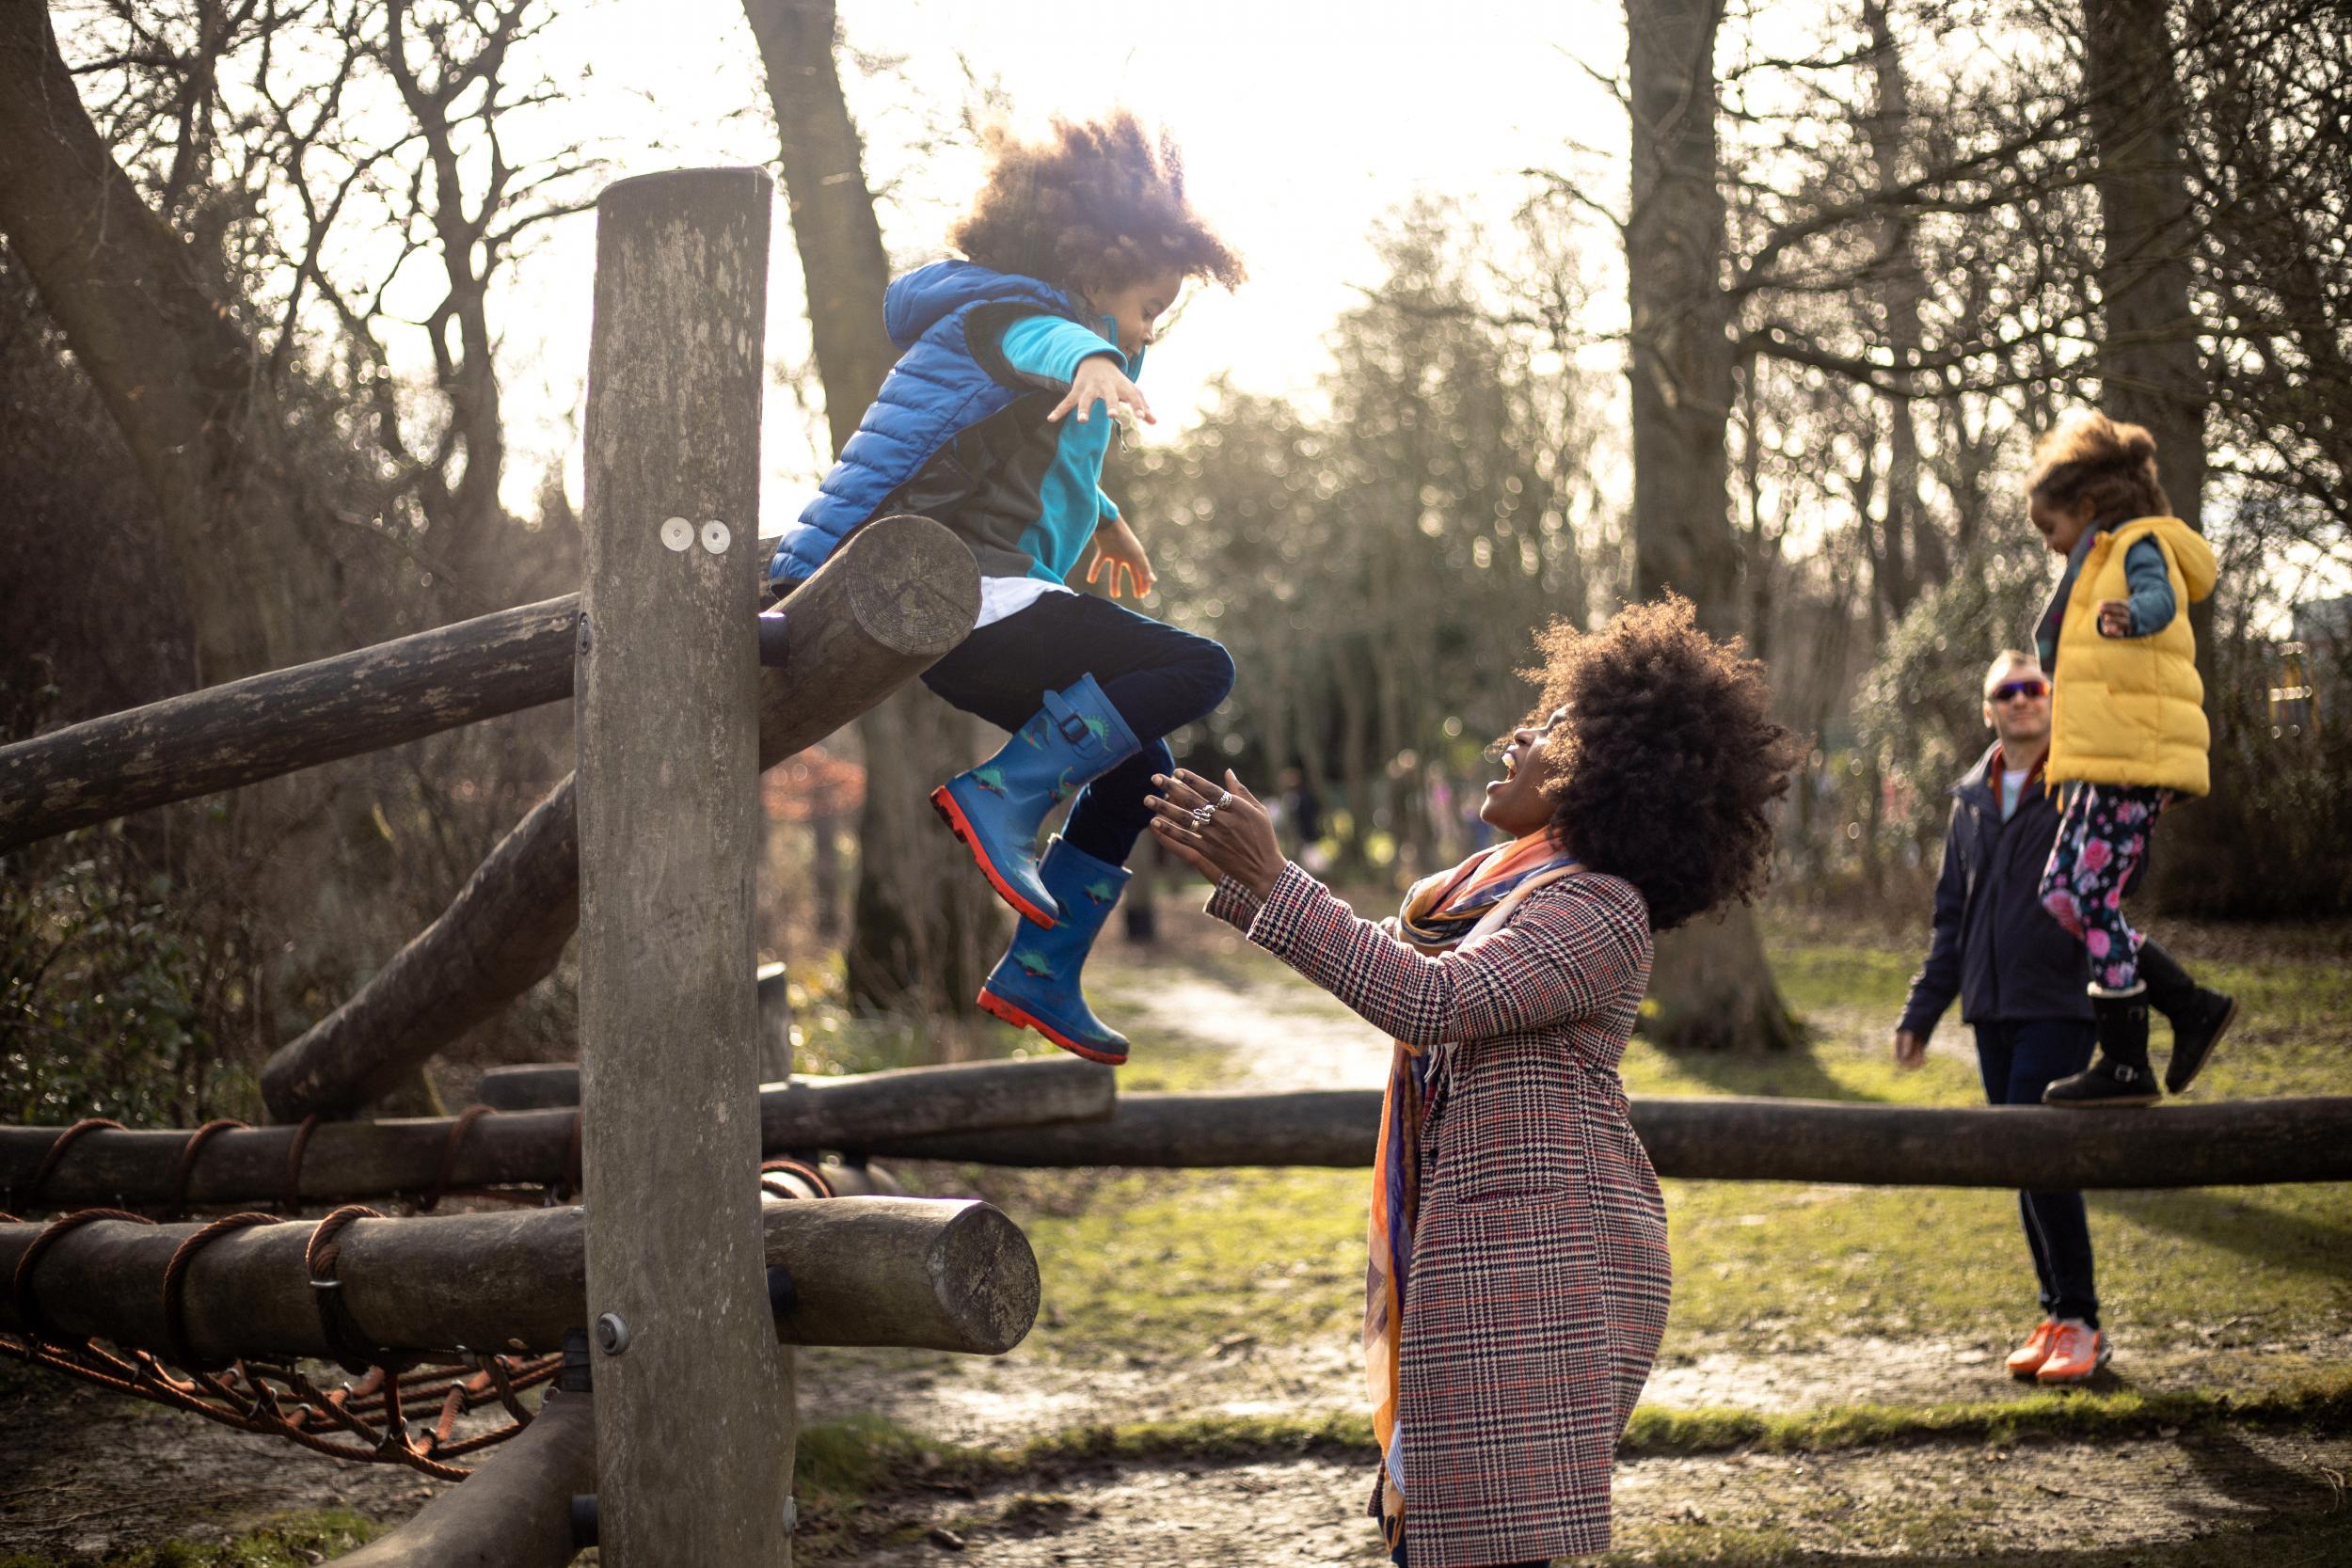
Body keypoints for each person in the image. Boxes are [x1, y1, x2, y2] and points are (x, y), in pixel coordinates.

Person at [1148, 597, 1802, 1568]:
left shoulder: (1599, 909)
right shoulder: (1513, 896)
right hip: (1486, 1259)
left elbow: (1429, 999)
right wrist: (1253, 880)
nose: (1518, 737)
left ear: (1612, 771)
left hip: (1542, 1269)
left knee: (1473, 1544)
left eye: (1552, 729)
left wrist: (1277, 882)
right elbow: (1398, 960)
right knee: (1446, 1537)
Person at [765, 113, 1246, 1067]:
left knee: (1138, 767)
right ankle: (1005, 795)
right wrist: (1095, 356)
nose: (1150, 330)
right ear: (1092, 263)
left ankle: (1041, 969)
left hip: (981, 613)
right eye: (1147, 305)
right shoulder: (1005, 318)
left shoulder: (1028, 345)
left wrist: (1102, 513)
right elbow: (1043, 348)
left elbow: (1007, 452)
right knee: (1198, 666)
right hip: (970, 594)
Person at [1893, 650, 2127, 1383]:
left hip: (2059, 1001)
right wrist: (1922, 1013)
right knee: (2020, 1166)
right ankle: (2056, 1314)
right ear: (1987, 707)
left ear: (2053, 701)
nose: (2023, 699)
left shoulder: (2080, 782)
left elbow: (2117, 874)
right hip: (1989, 1007)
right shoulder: (1969, 799)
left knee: (2041, 1154)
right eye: (2007, 691)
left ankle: (2084, 1321)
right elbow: (1950, 918)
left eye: (2035, 688)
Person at [2022, 412, 2237, 1107]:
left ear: (2088, 508)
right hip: (2099, 763)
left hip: (2132, 759)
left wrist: (2131, 615)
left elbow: (2161, 596)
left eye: (2051, 529)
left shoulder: (2139, 544)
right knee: (2061, 893)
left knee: (2090, 897)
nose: (2050, 546)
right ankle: (2191, 1003)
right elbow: (2057, 647)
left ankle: (2124, 1059)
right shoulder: (2088, 564)